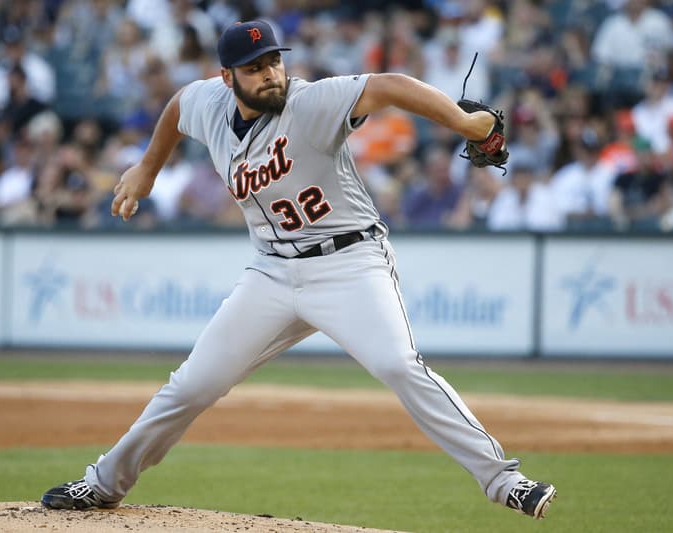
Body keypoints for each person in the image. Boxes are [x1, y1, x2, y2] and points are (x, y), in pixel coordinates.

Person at [40, 20, 556, 521]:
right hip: (271, 273)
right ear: (228, 78)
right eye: (254, 68)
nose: (270, 74)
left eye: (274, 62)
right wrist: (147, 168)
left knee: (400, 365)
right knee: (191, 386)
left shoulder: (311, 103)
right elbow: (177, 107)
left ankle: (503, 480)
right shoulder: (210, 104)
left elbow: (391, 85)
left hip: (349, 263)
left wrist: (465, 124)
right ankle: (105, 483)